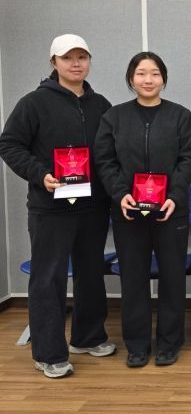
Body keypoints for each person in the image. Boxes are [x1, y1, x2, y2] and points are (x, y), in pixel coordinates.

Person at [0, 34, 116, 378]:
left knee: (90, 274)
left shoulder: (101, 105)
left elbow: (110, 152)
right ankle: (48, 353)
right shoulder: (33, 103)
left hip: (93, 207)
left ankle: (88, 337)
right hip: (50, 208)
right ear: (54, 62)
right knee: (48, 278)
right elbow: (9, 144)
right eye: (68, 58)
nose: (76, 64)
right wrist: (40, 175)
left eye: (82, 57)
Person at [94, 52, 191, 368]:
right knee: (133, 278)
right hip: (128, 212)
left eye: (154, 73)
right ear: (131, 78)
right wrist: (120, 194)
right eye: (141, 73)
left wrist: (175, 195)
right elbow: (105, 160)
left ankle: (169, 343)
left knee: (172, 278)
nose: (148, 79)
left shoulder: (180, 116)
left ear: (163, 78)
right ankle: (137, 345)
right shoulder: (114, 117)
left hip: (170, 211)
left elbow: (188, 159)